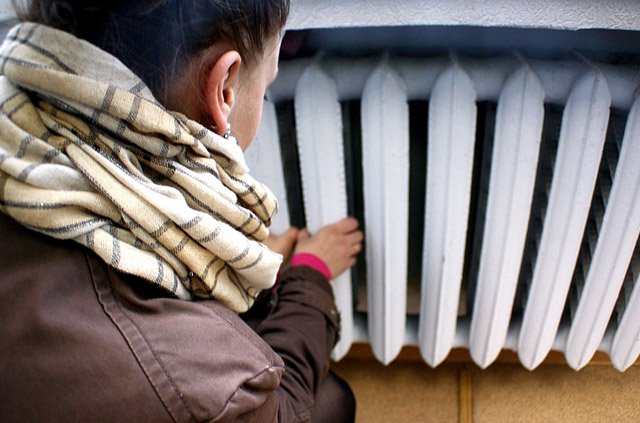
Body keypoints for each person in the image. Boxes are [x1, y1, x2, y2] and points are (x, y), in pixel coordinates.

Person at [0, 1, 362, 422]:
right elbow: (285, 410)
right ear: (224, 89)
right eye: (262, 90)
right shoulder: (209, 390)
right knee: (335, 401)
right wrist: (310, 276)